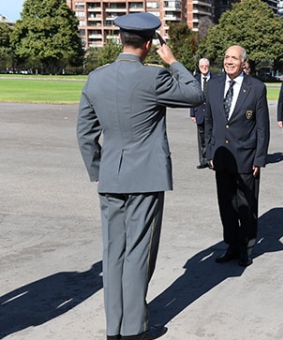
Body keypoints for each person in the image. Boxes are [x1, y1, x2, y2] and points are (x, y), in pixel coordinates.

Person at [76, 12, 203, 340]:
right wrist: (173, 61)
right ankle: (133, 329)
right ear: (149, 44)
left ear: (121, 39)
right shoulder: (154, 78)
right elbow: (194, 94)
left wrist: (97, 169)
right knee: (138, 253)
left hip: (110, 178)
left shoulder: (96, 78)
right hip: (145, 177)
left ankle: (114, 327)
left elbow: (85, 134)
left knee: (113, 252)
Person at [205, 45, 270, 267]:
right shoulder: (213, 85)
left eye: (234, 58)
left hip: (246, 158)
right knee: (227, 205)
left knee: (247, 206)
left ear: (243, 62)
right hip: (221, 157)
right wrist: (209, 152)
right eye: (226, 57)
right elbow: (209, 122)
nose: (229, 61)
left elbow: (262, 127)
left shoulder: (256, 88)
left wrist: (259, 158)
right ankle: (231, 245)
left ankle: (246, 248)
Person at [190, 58, 213, 169]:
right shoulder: (195, 80)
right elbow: (192, 97)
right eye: (202, 66)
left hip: (212, 114)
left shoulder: (215, 79)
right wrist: (192, 114)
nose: (204, 68)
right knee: (201, 138)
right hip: (199, 113)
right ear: (199, 67)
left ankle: (211, 160)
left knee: (212, 138)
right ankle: (203, 160)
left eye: (206, 66)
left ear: (209, 67)